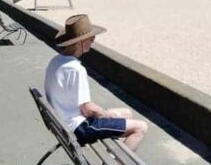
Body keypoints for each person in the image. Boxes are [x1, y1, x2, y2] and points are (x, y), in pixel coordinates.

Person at [45, 14, 148, 156]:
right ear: (80, 42)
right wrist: (106, 115)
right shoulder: (76, 69)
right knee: (141, 128)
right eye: (91, 38)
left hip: (64, 121)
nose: (93, 41)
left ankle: (115, 154)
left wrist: (110, 115)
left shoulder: (56, 61)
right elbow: (89, 111)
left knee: (127, 113)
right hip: (79, 127)